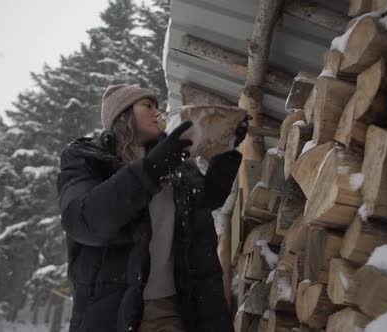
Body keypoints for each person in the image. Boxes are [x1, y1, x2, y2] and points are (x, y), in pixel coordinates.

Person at [57, 84, 247, 332]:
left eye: (158, 106)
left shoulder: (177, 163)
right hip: (113, 313)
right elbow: (85, 221)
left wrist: (226, 149)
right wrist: (152, 168)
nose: (157, 113)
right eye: (147, 106)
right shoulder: (88, 160)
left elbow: (206, 200)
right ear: (122, 115)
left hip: (172, 308)